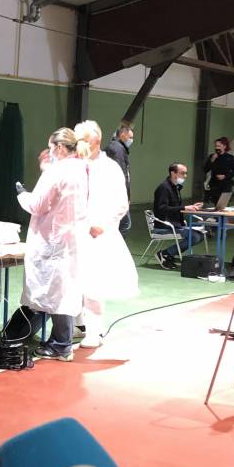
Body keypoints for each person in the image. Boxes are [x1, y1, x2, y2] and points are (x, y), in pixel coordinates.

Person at [10, 128, 89, 361]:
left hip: (51, 239)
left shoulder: (58, 171)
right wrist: (47, 170)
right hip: (70, 238)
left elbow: (38, 204)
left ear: (60, 147)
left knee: (54, 293)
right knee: (63, 291)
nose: (49, 151)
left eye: (51, 147)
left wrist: (22, 194)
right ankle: (59, 341)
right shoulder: (80, 169)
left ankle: (60, 345)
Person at [74, 121, 138, 348]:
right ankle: (78, 325)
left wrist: (103, 224)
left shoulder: (110, 168)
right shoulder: (74, 165)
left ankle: (94, 331)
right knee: (73, 282)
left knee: (94, 284)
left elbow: (121, 203)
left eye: (82, 141)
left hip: (98, 234)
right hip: (74, 233)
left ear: (95, 141)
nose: (78, 145)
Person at [151, 163, 205, 270]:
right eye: (182, 173)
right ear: (173, 173)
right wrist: (185, 208)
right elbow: (162, 208)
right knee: (195, 236)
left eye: (186, 173)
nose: (185, 176)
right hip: (164, 225)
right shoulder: (164, 188)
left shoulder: (176, 188)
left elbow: (175, 207)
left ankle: (169, 254)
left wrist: (190, 207)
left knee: (201, 235)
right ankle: (166, 254)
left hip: (175, 223)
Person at [103, 124, 134, 233]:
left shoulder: (117, 148)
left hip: (114, 195)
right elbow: (122, 175)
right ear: (123, 135)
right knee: (124, 225)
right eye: (130, 137)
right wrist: (126, 196)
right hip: (116, 196)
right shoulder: (118, 149)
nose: (132, 140)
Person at [203, 136, 234, 205]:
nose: (217, 148)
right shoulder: (212, 156)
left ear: (224, 146)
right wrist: (212, 160)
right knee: (216, 205)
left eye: (219, 146)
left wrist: (225, 176)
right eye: (216, 146)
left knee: (223, 205)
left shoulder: (230, 158)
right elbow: (205, 169)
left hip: (226, 186)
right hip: (214, 186)